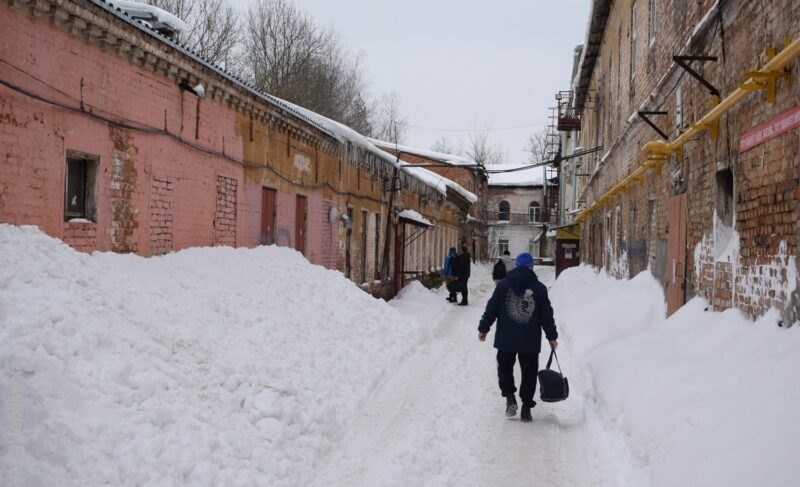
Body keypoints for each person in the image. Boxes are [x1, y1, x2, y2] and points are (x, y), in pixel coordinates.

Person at [477, 252, 558, 422]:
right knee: (529, 373)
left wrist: (484, 328)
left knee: (505, 368)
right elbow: (546, 315)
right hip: (529, 341)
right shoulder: (539, 288)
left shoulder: (503, 285)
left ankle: (510, 398)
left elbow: (491, 308)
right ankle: (526, 408)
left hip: (506, 339)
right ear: (531, 267)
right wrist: (551, 336)